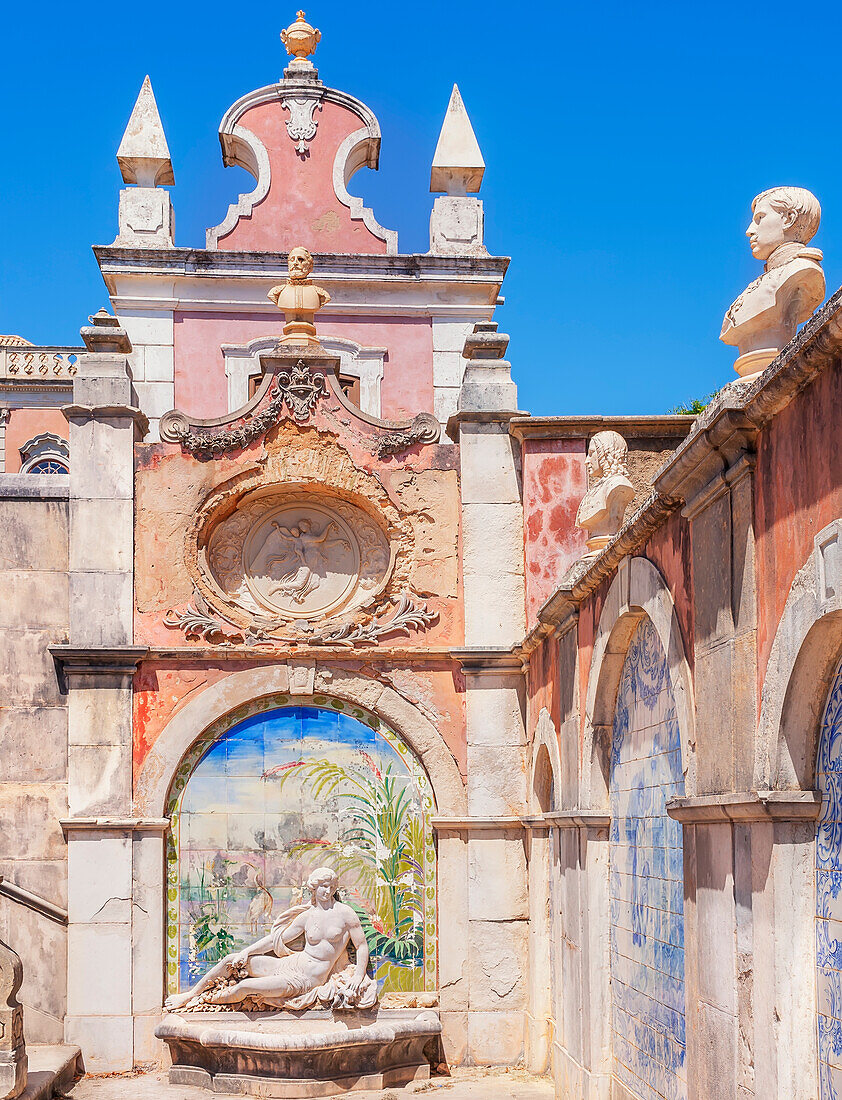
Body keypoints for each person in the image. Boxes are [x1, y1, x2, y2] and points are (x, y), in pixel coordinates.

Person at [163, 866, 377, 1012]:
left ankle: (204, 1001)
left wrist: (358, 976)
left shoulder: (345, 913)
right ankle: (190, 995)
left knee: (243, 988)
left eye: (331, 886)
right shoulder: (307, 916)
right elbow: (277, 939)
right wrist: (247, 952)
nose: (327, 890)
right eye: (322, 886)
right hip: (289, 964)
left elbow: (361, 946)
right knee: (231, 960)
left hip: (306, 979)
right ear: (314, 887)